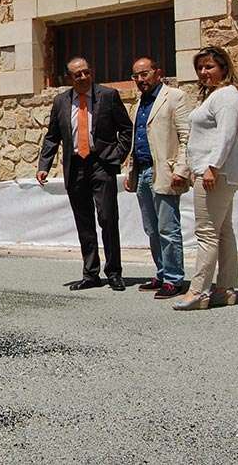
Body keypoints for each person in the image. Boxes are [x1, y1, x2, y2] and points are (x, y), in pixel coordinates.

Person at [37, 57, 133, 291]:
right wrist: (44, 165)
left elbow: (126, 129)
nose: (83, 77)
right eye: (77, 74)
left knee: (108, 219)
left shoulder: (108, 96)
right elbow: (52, 136)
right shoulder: (61, 101)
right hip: (75, 167)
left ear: (91, 73)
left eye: (86, 72)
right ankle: (91, 273)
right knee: (84, 222)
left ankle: (114, 272)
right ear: (69, 78)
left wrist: (116, 156)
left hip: (102, 165)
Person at [173, 46, 238, 311]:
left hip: (215, 174)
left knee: (206, 233)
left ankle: (198, 291)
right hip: (216, 172)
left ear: (224, 68)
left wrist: (211, 167)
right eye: (200, 67)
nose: (203, 72)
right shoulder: (217, 96)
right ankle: (225, 288)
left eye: (209, 67)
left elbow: (226, 135)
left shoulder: (226, 96)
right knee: (223, 231)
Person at [124, 57, 191, 300]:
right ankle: (162, 273)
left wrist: (181, 170)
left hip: (164, 171)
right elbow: (138, 139)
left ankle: (174, 278)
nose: (140, 80)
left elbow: (186, 136)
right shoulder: (139, 103)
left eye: (144, 74)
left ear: (158, 72)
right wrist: (131, 172)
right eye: (136, 76)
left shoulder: (175, 97)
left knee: (168, 229)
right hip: (142, 172)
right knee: (151, 229)